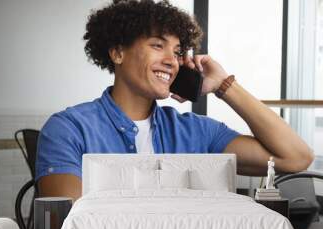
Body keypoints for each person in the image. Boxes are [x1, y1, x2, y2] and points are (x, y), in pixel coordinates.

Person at [35, 0, 313, 200]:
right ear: (118, 52)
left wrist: (225, 86)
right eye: (157, 45)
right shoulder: (68, 128)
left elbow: (296, 158)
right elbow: (70, 219)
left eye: (178, 51)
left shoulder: (195, 131)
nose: (172, 61)